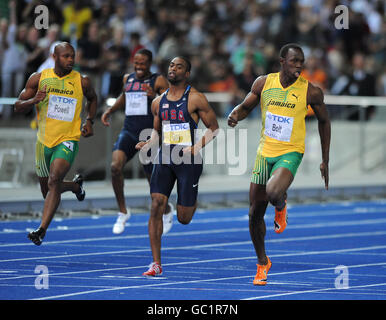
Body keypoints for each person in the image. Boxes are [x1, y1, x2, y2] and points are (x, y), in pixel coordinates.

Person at [228, 43, 330, 285]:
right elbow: (245, 107)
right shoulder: (264, 83)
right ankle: (263, 263)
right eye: (294, 61)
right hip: (265, 153)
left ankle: (281, 204)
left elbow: (325, 121)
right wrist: (235, 115)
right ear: (282, 61)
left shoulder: (310, 91)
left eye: (301, 62)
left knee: (273, 192)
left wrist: (325, 159)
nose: (299, 65)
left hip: (291, 152)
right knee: (254, 213)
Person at [136, 56, 219, 276]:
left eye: (179, 66)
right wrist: (148, 143)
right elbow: (157, 132)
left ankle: (189, 199)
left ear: (187, 73)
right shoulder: (158, 102)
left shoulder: (196, 99)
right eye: (172, 65)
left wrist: (197, 147)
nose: (173, 69)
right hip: (164, 157)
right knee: (156, 204)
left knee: (184, 218)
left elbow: (214, 127)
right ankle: (156, 263)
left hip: (188, 160)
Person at [14, 42, 97, 245]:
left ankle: (41, 230)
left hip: (68, 139)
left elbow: (93, 99)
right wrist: (33, 101)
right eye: (66, 56)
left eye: (73, 56)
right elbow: (17, 106)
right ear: (54, 57)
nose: (71, 60)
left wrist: (89, 120)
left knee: (54, 180)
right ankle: (75, 185)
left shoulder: (81, 81)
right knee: (48, 190)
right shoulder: (39, 78)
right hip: (44, 141)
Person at [101, 49, 172, 235]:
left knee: (151, 180)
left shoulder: (158, 80)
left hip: (149, 135)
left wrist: (153, 97)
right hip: (129, 131)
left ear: (150, 64)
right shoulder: (128, 79)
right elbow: (124, 97)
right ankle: (123, 212)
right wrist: (110, 110)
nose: (139, 67)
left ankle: (166, 210)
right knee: (115, 167)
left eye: (143, 64)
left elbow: (169, 102)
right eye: (136, 63)